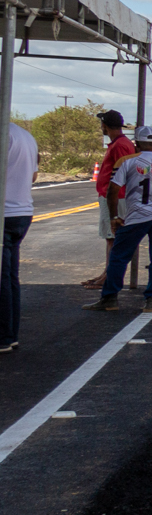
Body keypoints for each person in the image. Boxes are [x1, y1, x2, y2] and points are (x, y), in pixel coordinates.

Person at [84, 125, 152, 313]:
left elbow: (113, 191)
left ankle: (110, 298)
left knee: (119, 256)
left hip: (136, 216)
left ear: (137, 143)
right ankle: (151, 300)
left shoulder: (128, 162)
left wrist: (114, 216)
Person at [81, 109, 136, 287]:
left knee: (113, 236)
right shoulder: (119, 143)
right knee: (110, 237)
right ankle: (106, 274)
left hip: (116, 196)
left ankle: (109, 277)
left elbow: (123, 173)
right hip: (112, 195)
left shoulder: (120, 145)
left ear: (105, 125)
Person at [3, 118, 35, 352]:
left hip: (5, 212)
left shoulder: (5, 135)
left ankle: (4, 336)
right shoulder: (25, 135)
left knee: (3, 278)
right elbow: (33, 175)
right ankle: (10, 334)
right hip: (22, 210)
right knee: (10, 276)